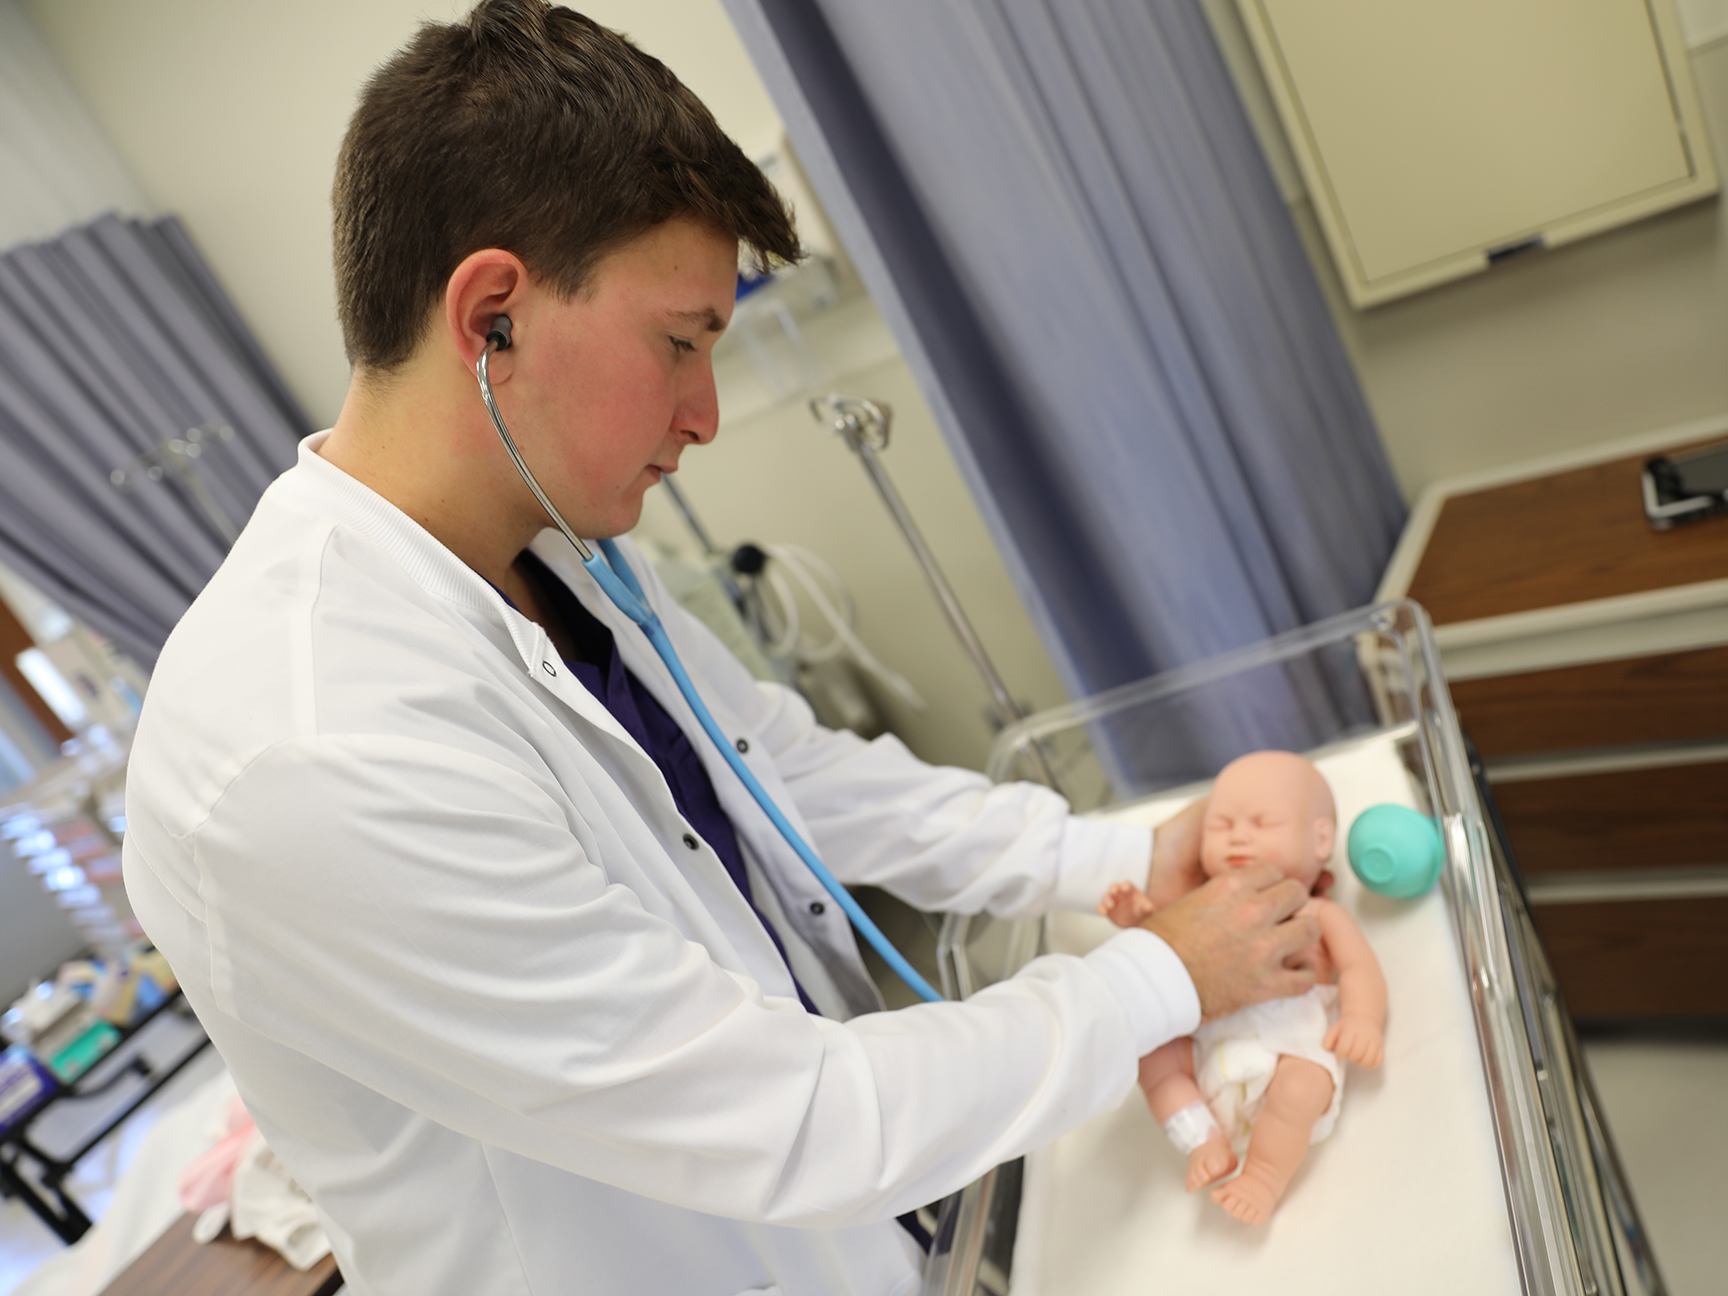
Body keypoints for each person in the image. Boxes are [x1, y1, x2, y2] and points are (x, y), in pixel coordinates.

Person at [120, 3, 1324, 1291]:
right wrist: (1160, 978)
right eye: (681, 343)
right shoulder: (306, 750)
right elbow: (793, 1123)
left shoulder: (555, 549)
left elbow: (782, 776)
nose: (702, 415)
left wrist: (1122, 854)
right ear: (491, 320)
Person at [1098, 751, 1387, 1224]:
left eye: (1262, 822)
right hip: (1209, 1044)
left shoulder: (1317, 915)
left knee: (1301, 1087)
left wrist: (1362, 1019)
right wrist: (1137, 920)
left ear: (1320, 839)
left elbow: (1358, 968)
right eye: (1222, 823)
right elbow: (1165, 947)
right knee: (1151, 1053)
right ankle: (1201, 1139)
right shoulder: (1199, 907)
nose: (1238, 835)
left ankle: (1264, 1177)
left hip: (1289, 1046)